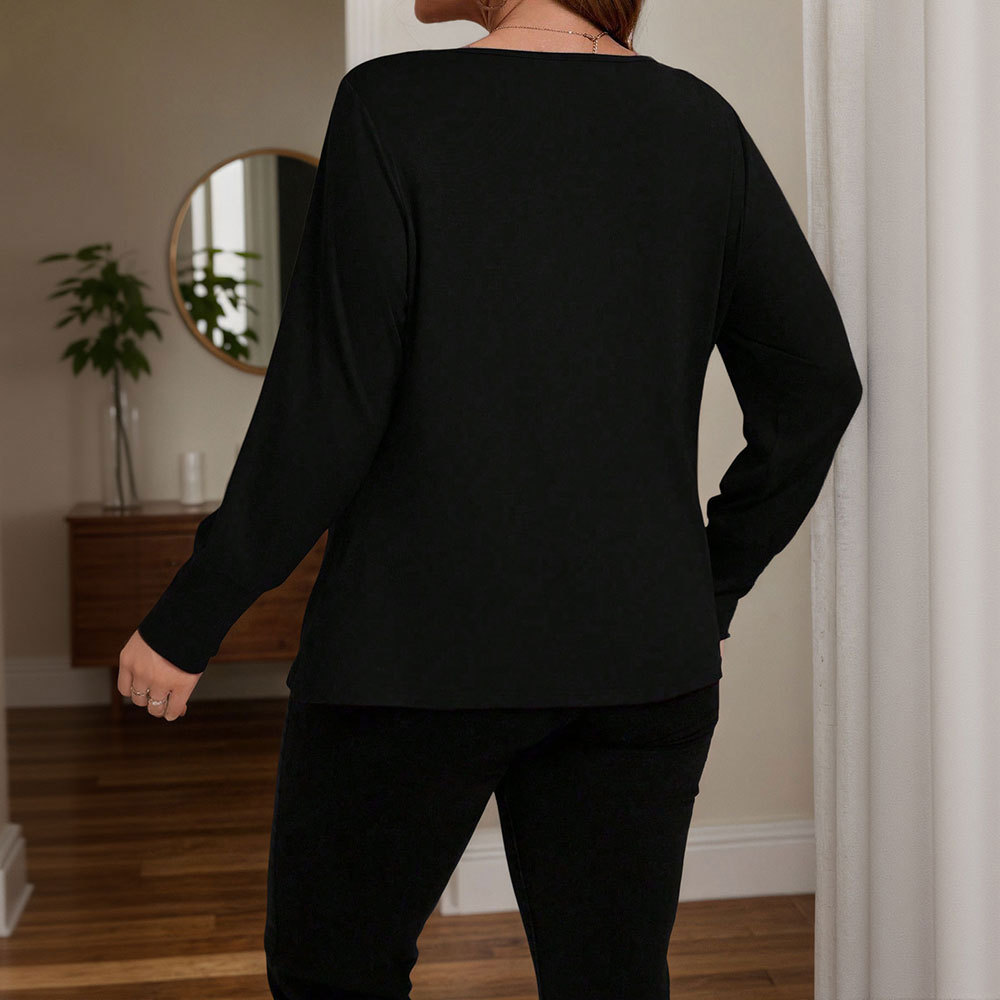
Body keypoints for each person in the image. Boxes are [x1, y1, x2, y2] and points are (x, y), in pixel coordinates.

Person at [117, 0, 864, 996]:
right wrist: (706, 584)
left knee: (333, 974)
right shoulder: (699, 123)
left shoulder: (392, 105)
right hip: (641, 654)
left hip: (407, 661)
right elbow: (816, 387)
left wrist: (190, 616)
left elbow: (328, 408)